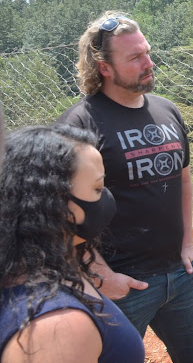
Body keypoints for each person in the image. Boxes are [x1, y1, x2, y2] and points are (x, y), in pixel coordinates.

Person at [57, 12, 193, 363]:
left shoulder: (167, 111)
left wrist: (188, 244)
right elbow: (60, 213)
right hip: (122, 286)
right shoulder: (79, 124)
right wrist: (103, 276)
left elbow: (184, 177)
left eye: (146, 52)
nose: (149, 63)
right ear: (104, 67)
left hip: (183, 275)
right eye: (134, 58)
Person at [0, 124, 144, 363]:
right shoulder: (56, 328)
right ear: (56, 203)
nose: (106, 197)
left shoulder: (38, 269)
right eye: (98, 188)